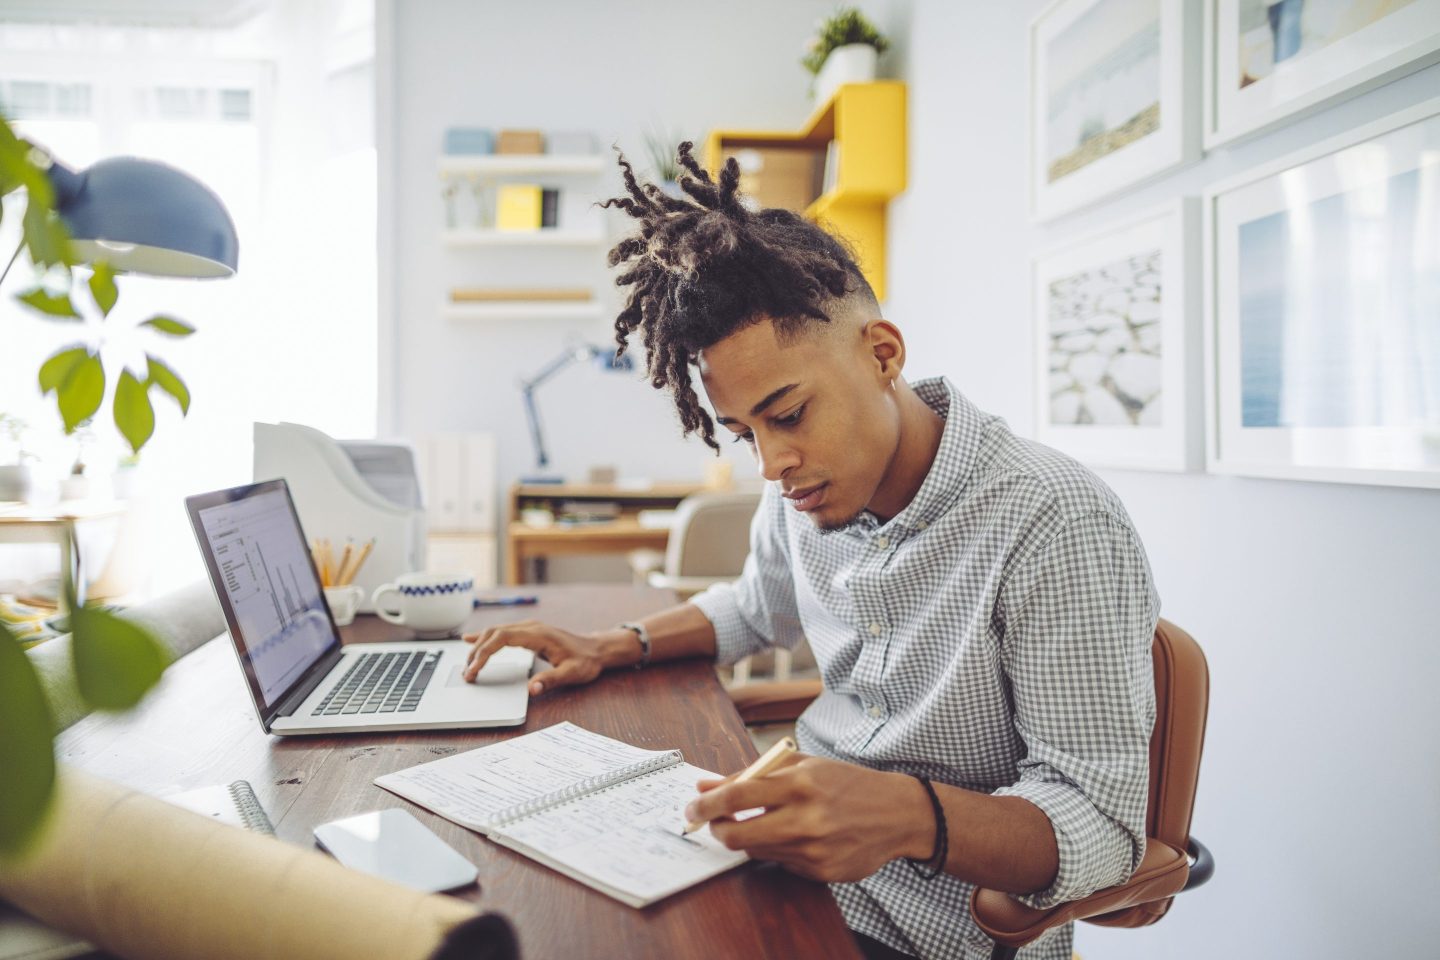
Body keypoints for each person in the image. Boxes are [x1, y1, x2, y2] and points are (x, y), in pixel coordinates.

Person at [463, 144, 1158, 960]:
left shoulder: (1055, 521)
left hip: (943, 932)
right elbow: (756, 607)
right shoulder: (806, 482)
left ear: (883, 354)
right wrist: (614, 645)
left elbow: (1107, 830)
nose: (771, 464)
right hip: (789, 871)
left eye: (788, 414)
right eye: (744, 433)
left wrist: (905, 816)